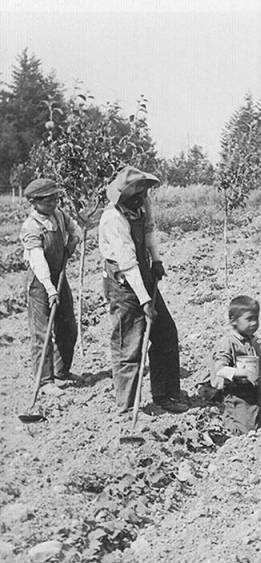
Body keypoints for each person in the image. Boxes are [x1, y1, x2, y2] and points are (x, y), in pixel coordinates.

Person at [97, 165, 187, 416]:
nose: (141, 200)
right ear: (124, 197)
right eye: (136, 197)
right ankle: (127, 408)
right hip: (123, 283)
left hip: (143, 273)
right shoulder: (113, 219)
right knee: (130, 343)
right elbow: (126, 262)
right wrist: (145, 300)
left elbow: (148, 231)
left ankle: (166, 394)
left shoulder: (142, 206)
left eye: (143, 195)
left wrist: (156, 260)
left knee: (166, 333)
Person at [20, 178, 81, 397]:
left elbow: (75, 229)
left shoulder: (59, 215)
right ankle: (44, 380)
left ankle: (62, 372)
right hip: (39, 281)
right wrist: (50, 288)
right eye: (48, 200)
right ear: (34, 202)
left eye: (56, 197)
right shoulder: (31, 226)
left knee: (67, 325)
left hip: (59, 275)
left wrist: (73, 241)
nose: (54, 202)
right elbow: (37, 261)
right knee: (42, 331)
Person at [211, 295, 261, 434]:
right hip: (237, 393)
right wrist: (243, 373)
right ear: (233, 321)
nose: (254, 323)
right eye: (249, 319)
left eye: (256, 318)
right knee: (247, 431)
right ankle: (228, 417)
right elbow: (220, 370)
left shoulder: (254, 343)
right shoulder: (228, 342)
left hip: (256, 391)